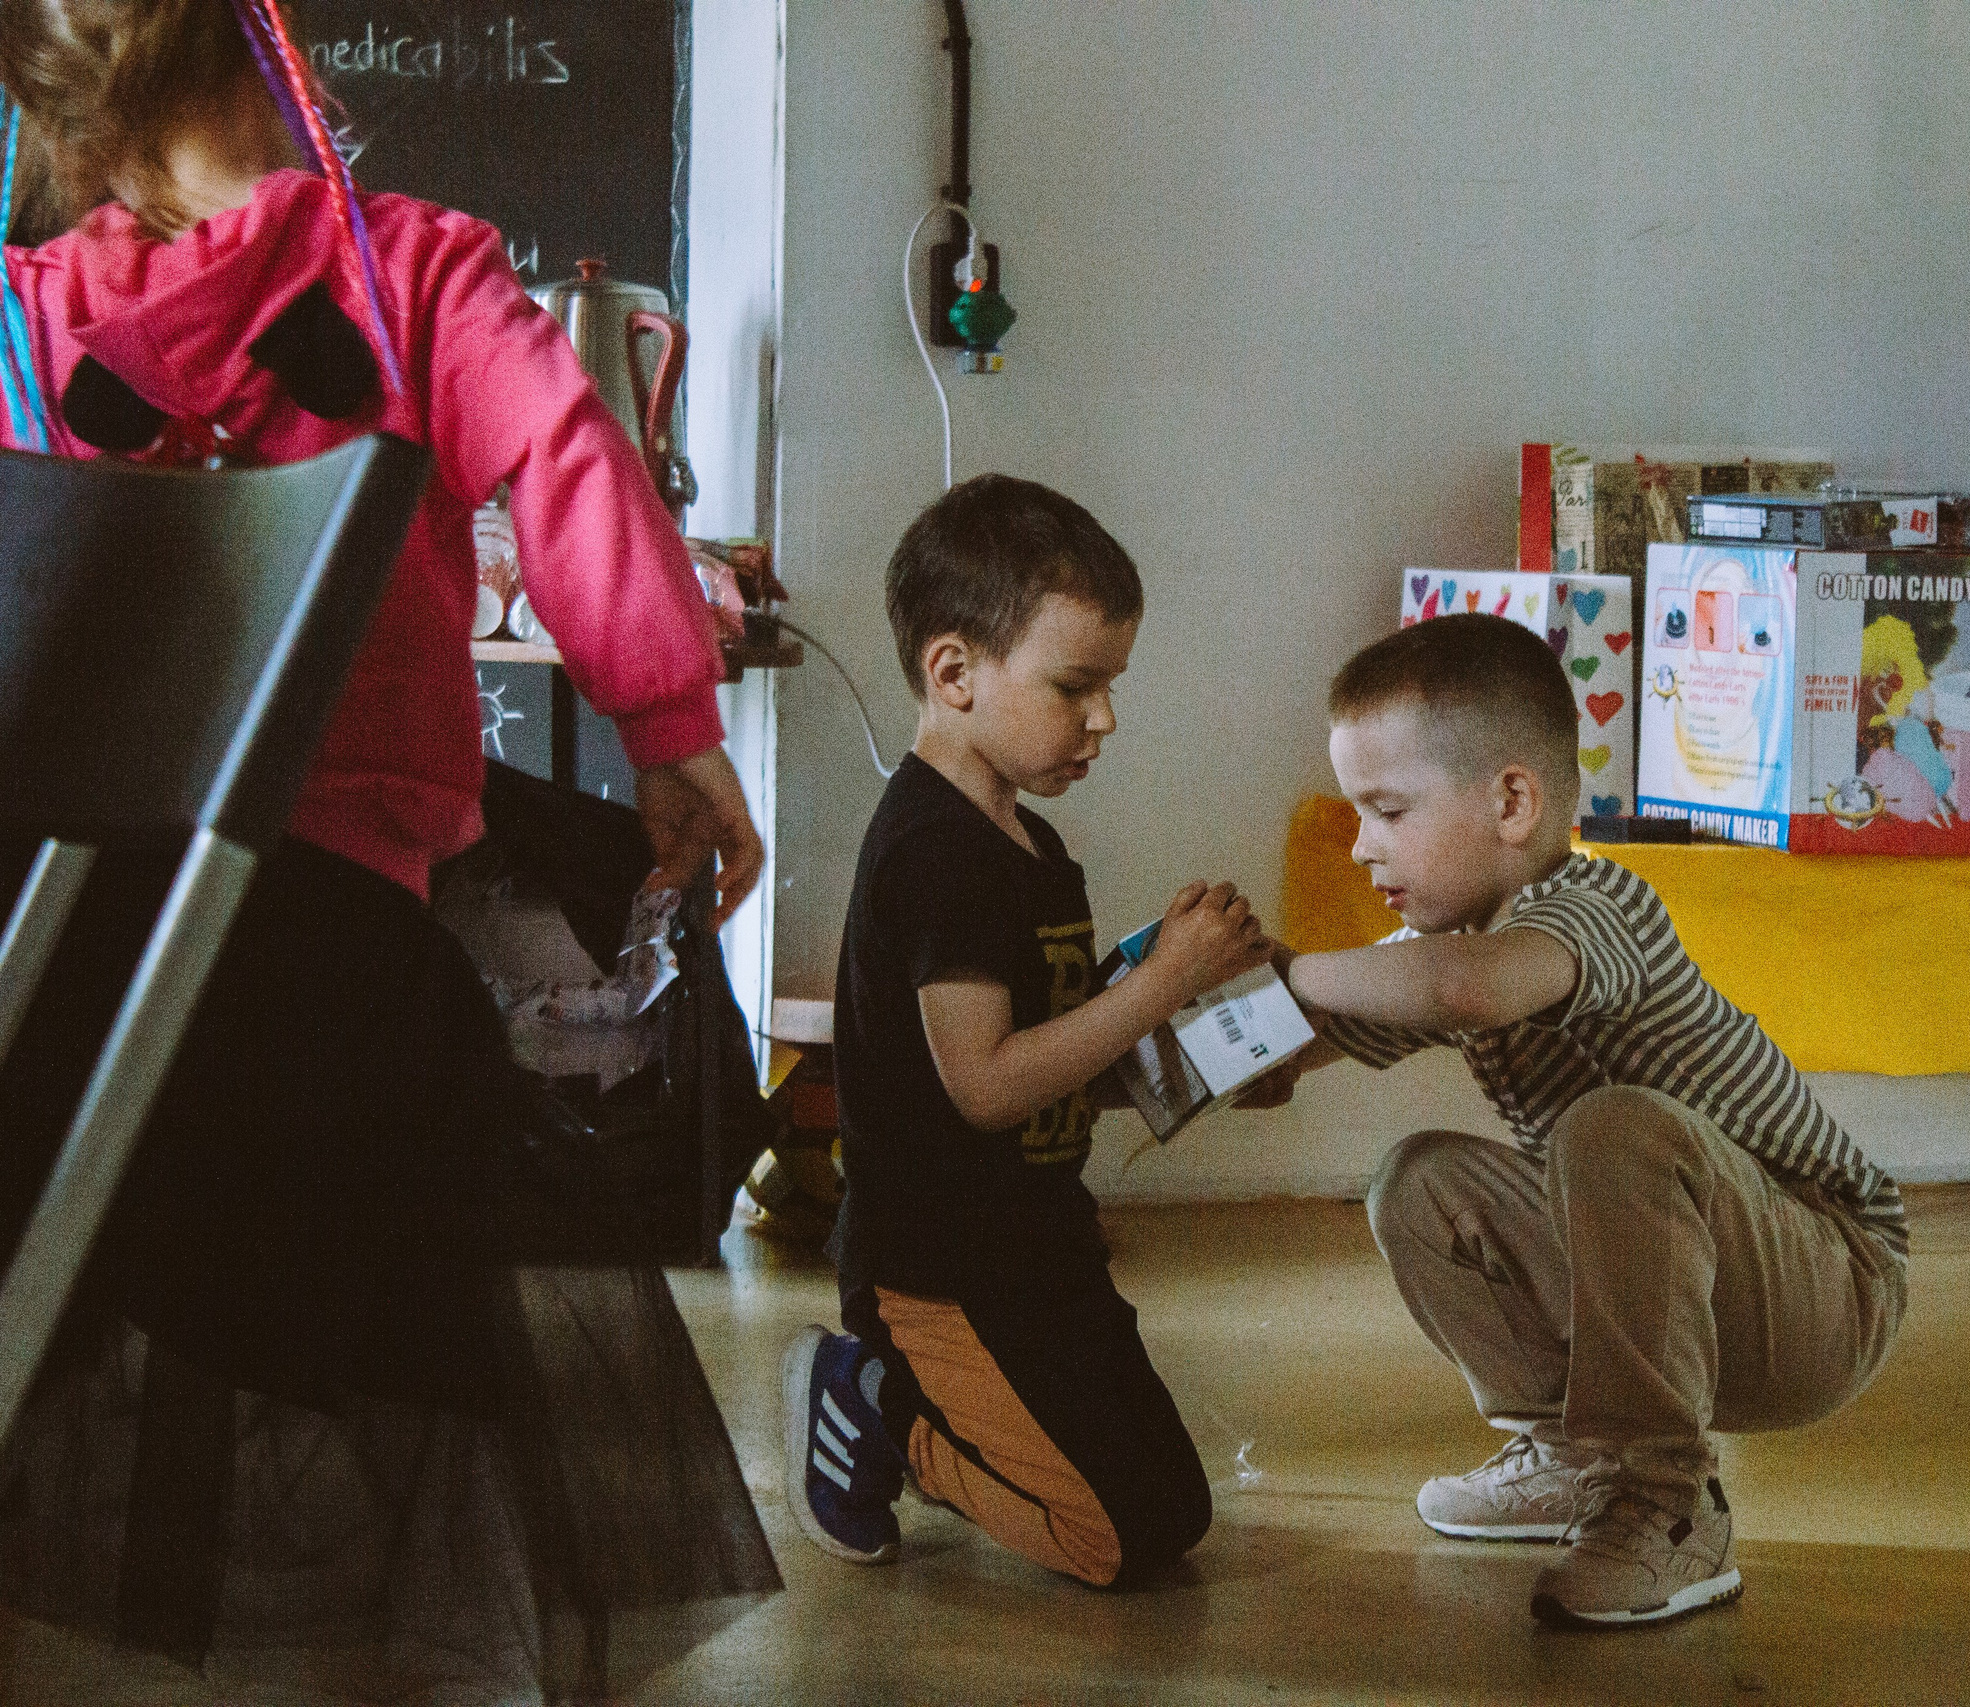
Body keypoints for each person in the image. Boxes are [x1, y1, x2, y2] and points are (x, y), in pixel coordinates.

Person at [0, 1, 768, 1693]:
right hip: (326, 986)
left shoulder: (18, 317)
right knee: (412, 1109)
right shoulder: (413, 272)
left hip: (43, 989)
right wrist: (672, 732)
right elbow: (571, 461)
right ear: (271, 54)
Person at [1256, 613, 1909, 1629]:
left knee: (1610, 1129)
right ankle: (1574, 1455)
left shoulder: (1593, 907)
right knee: (1420, 1179)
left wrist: (1286, 966)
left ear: (1511, 801)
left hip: (1826, 1284)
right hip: (1694, 1278)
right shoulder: (1454, 942)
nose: (1357, 844)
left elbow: (1465, 990)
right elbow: (1279, 1054)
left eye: (1384, 810)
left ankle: (1671, 1504)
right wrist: (1128, 1039)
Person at [783, 473, 1268, 1588]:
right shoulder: (933, 852)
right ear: (954, 673)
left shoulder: (1030, 848)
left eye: (1111, 686)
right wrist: (1153, 991)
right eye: (1075, 686)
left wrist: (1208, 1052)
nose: (1104, 718)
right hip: (940, 1273)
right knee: (1106, 1539)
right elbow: (988, 1087)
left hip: (1043, 1251)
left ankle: (926, 1411)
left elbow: (1064, 1070)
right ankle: (872, 1402)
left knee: (1173, 1514)